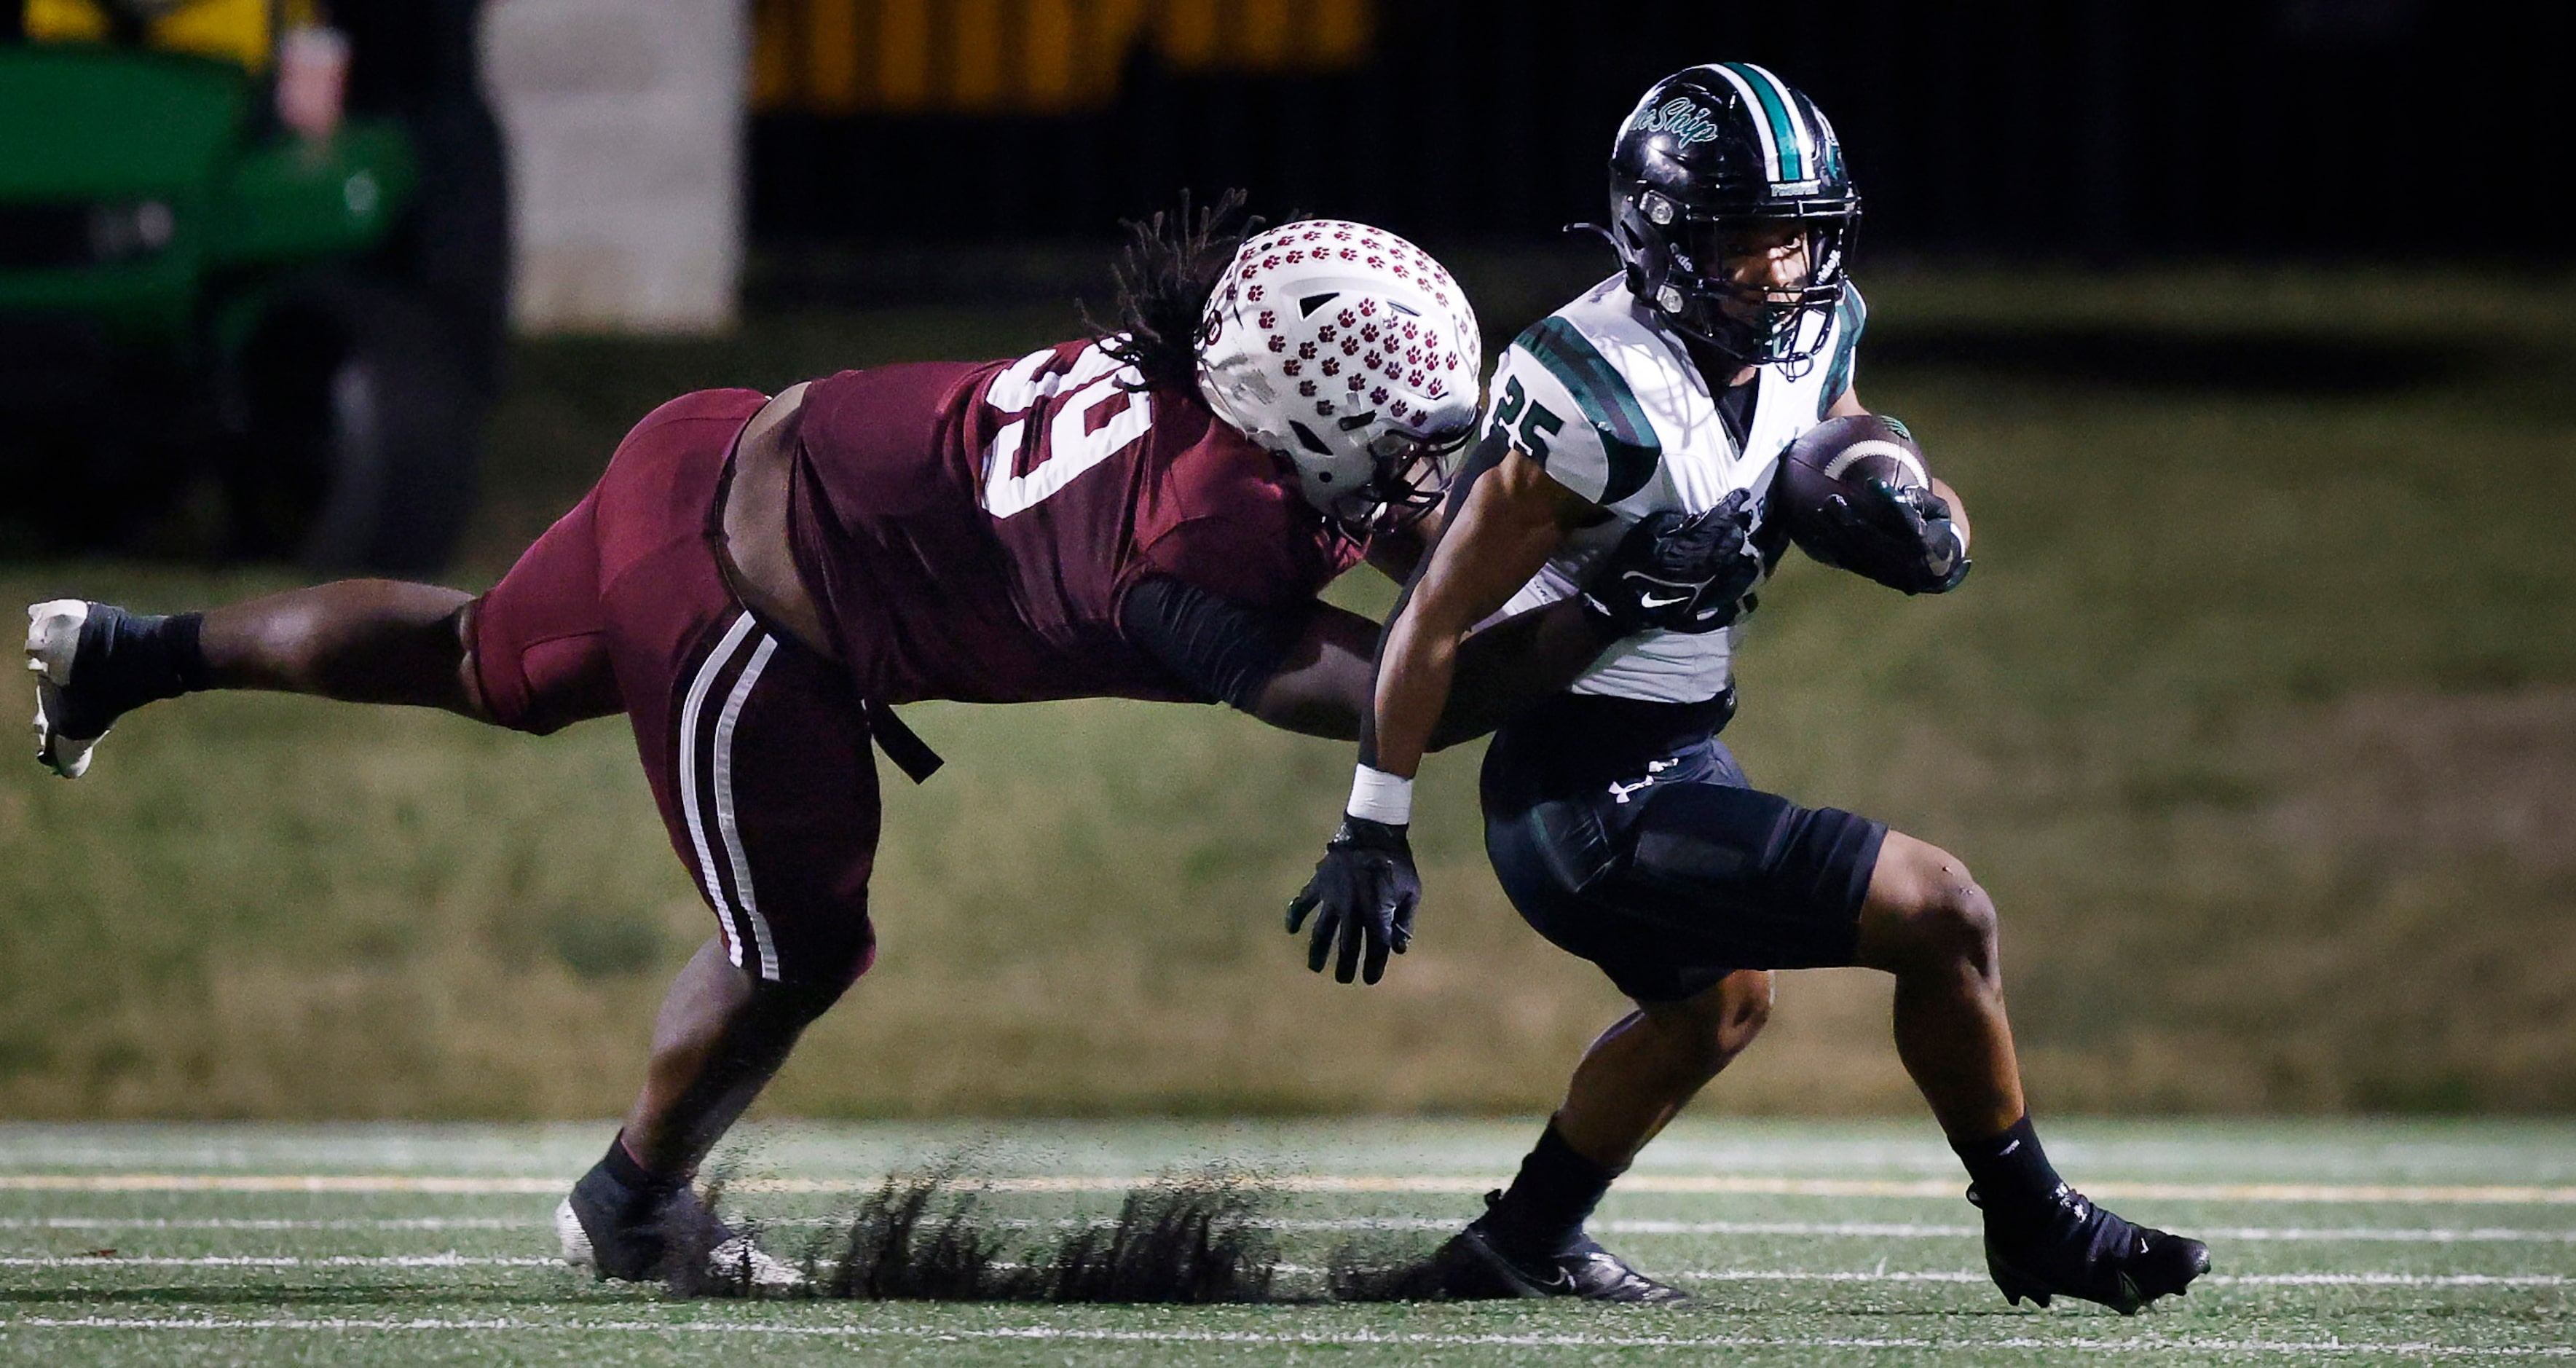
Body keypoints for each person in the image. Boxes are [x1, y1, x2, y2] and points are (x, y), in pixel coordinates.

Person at [25, 200, 1740, 1286]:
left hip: (718, 445)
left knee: (486, 658)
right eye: (1399, 441)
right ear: (1293, 418)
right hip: (750, 613)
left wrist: (1568, 550)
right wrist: (1629, 599)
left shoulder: (1223, 393)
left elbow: (1393, 546)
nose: (1428, 470)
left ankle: (134, 651)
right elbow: (1400, 697)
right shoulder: (1181, 561)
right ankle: (629, 1205)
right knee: (802, 945)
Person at [1288, 66, 2212, 1311]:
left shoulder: (1814, 328)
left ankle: (1521, 1239)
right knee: (1942, 909)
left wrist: (1925, 518)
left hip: (1677, 752)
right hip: (1578, 790)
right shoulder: (1589, 383)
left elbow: (1851, 429)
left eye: (1799, 236)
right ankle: (2034, 1218)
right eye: (1747, 239)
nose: (1781, 271)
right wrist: (1372, 825)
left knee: (1714, 1008)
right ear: (1663, 237)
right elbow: (1434, 614)